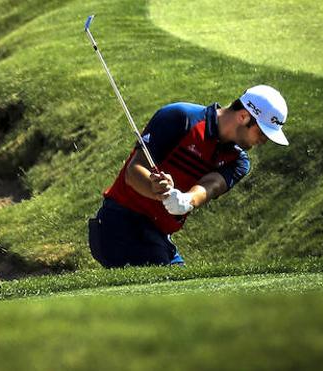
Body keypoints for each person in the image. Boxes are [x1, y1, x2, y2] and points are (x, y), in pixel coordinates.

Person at [88, 85, 289, 268]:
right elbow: (133, 172)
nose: (264, 140)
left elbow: (212, 186)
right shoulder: (180, 117)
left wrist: (187, 200)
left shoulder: (238, 161)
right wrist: (156, 189)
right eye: (262, 132)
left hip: (156, 236)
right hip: (119, 224)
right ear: (244, 116)